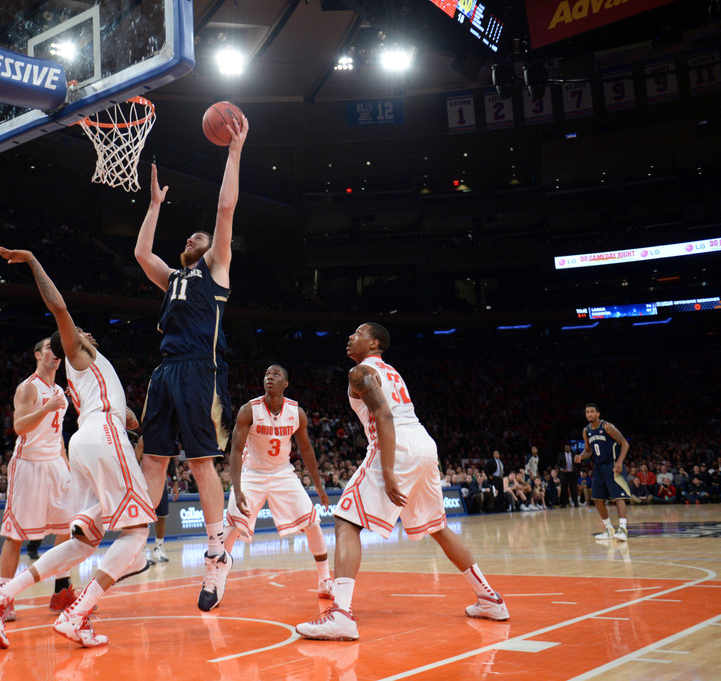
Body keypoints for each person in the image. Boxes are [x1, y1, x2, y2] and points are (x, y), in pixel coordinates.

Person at [0, 247, 157, 649]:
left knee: (83, 540)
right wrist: (34, 260)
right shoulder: (76, 352)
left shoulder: (89, 371)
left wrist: (130, 418)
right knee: (137, 531)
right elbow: (57, 306)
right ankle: (78, 614)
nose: (87, 333)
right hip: (102, 436)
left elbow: (119, 413)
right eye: (79, 332)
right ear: (69, 343)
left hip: (86, 441)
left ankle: (0, 595)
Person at [296, 323, 508, 641]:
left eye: (358, 333)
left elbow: (384, 415)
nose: (350, 337)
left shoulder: (359, 373)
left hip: (396, 446)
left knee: (345, 521)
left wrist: (390, 469)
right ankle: (490, 599)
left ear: (374, 342)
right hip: (423, 444)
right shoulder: (392, 371)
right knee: (438, 527)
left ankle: (341, 615)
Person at [133, 112, 249, 612]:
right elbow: (142, 252)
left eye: (197, 238)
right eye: (190, 238)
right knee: (153, 457)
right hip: (166, 371)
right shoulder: (172, 279)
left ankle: (217, 551)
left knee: (202, 462)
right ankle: (136, 539)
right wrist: (155, 205)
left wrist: (234, 152)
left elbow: (224, 210)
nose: (192, 239)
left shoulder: (215, 270)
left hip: (203, 369)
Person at [223, 365, 332, 602]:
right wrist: (237, 487)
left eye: (276, 374)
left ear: (286, 384)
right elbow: (236, 449)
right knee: (232, 526)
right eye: (266, 374)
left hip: (283, 472)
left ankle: (325, 580)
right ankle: (216, 580)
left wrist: (319, 487)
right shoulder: (248, 410)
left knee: (312, 522)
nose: (270, 377)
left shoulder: (296, 412)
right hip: (252, 472)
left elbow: (305, 449)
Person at [0, 337, 75, 622]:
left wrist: (67, 470)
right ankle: (3, 598)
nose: (56, 354)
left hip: (55, 463)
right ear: (37, 355)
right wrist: (45, 408)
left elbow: (58, 438)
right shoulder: (28, 387)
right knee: (15, 535)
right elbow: (19, 427)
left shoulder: (59, 391)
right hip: (28, 464)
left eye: (59, 351)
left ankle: (61, 592)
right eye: (49, 349)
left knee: (69, 529)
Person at [574, 403, 631, 541]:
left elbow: (625, 443)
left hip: (612, 464)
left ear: (598, 414)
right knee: (597, 499)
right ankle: (609, 529)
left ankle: (623, 529)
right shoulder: (586, 431)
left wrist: (619, 462)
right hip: (599, 467)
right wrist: (581, 456)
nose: (590, 414)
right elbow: (588, 451)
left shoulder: (607, 426)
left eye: (592, 411)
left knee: (618, 497)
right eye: (587, 412)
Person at [557, 443, 579, 507]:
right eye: (565, 447)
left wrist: (579, 471)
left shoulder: (574, 455)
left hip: (572, 474)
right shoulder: (560, 455)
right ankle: (564, 504)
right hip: (564, 474)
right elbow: (558, 465)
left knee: (574, 489)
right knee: (564, 489)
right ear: (564, 448)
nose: (567, 448)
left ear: (570, 448)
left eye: (568, 447)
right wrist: (561, 469)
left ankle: (576, 503)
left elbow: (578, 464)